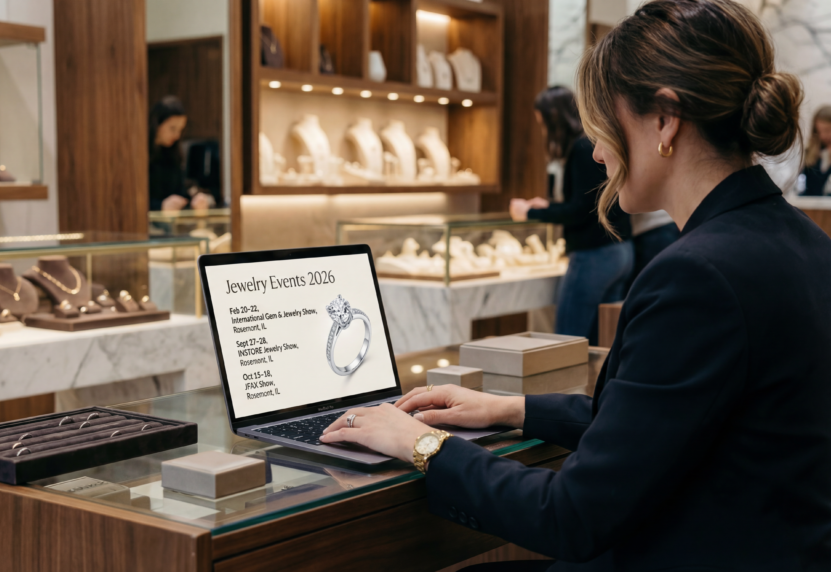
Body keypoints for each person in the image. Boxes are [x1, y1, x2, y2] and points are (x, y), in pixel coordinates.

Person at [322, 1, 831, 570]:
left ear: (664, 120)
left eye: (604, 125)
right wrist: (506, 408)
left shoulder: (698, 276)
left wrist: (418, 443)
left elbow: (570, 516)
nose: (596, 150)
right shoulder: (803, 243)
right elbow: (662, 423)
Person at [510, 87, 632, 345]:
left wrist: (530, 211)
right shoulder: (594, 143)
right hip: (620, 251)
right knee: (606, 341)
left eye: (543, 124)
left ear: (554, 119)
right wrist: (549, 205)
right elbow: (590, 201)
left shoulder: (582, 148)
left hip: (593, 255)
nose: (544, 132)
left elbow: (580, 211)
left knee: (566, 342)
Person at [149, 96, 212, 212]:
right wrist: (160, 206)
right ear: (156, 124)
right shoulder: (142, 155)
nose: (177, 135)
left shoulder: (174, 155)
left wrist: (195, 200)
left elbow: (180, 192)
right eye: (172, 128)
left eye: (180, 130)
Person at [800, 106, 831, 196]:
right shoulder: (810, 152)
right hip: (811, 205)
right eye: (818, 131)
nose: (822, 136)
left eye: (827, 130)